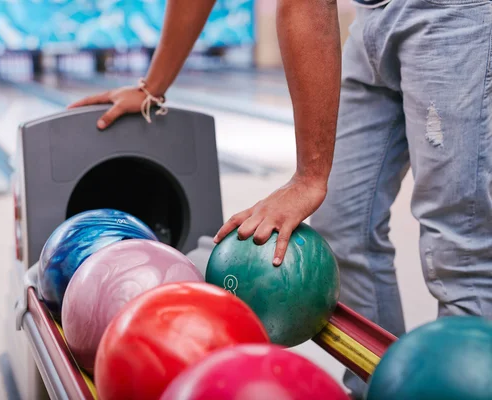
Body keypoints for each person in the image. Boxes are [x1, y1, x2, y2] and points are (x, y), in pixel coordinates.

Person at [69, 0, 492, 397]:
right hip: (374, 15)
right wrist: (152, 87)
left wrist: (309, 178)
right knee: (344, 231)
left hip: (457, 14)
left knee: (460, 254)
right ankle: (377, 389)